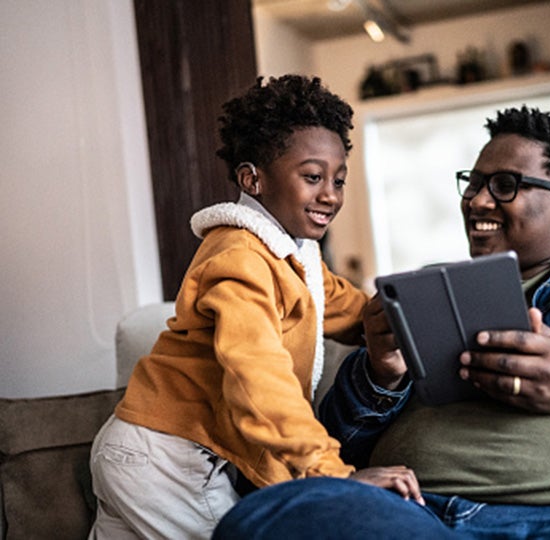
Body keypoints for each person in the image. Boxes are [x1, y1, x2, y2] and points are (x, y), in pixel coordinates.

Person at [212, 106, 550, 539]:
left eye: (504, 186)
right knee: (266, 518)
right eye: (473, 184)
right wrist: (379, 374)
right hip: (419, 512)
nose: (476, 201)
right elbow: (338, 444)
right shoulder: (425, 289)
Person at [88, 74, 421, 539]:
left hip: (140, 450)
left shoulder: (296, 257)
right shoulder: (241, 259)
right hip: (166, 459)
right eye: (312, 177)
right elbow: (258, 377)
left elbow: (353, 310)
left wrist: (416, 319)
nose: (330, 194)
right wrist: (334, 476)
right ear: (253, 178)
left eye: (338, 179)